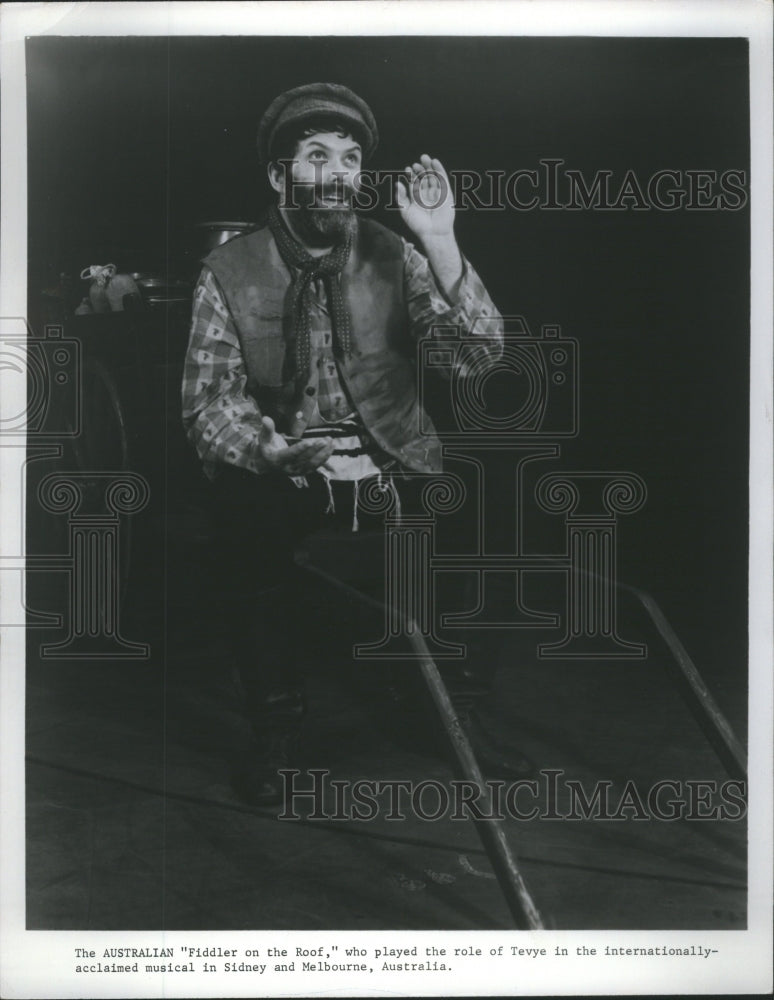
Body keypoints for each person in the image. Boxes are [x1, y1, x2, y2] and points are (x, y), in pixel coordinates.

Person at [182, 82, 525, 805]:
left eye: (350, 158)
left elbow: (477, 359)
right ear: (281, 176)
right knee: (248, 521)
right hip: (288, 465)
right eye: (317, 155)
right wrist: (264, 450)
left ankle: (452, 712)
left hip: (392, 459)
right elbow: (210, 402)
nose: (339, 173)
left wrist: (440, 238)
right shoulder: (227, 272)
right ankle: (275, 728)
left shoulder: (395, 255)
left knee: (474, 507)